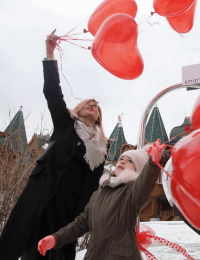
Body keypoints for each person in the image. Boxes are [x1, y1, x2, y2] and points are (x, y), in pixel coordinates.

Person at [0, 30, 109, 260]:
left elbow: (94, 184)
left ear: (98, 116)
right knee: (31, 247)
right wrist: (50, 54)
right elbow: (52, 92)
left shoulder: (101, 148)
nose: (92, 103)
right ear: (79, 109)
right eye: (88, 101)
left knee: (60, 252)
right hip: (44, 196)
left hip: (70, 209)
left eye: (96, 104)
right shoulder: (65, 124)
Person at [37, 140, 165, 259]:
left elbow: (145, 183)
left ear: (138, 170)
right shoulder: (99, 193)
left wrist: (152, 163)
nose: (122, 161)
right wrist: (56, 238)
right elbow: (81, 223)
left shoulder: (132, 192)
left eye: (130, 161)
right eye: (121, 158)